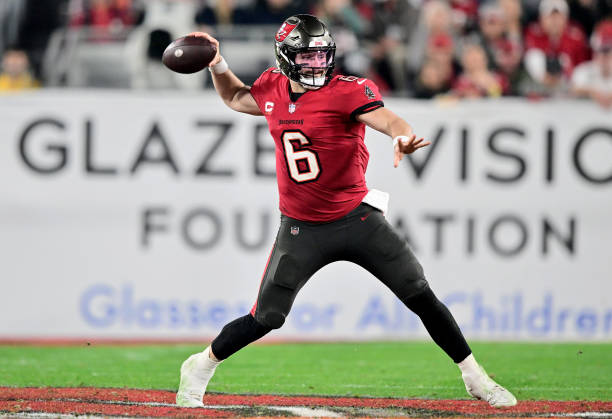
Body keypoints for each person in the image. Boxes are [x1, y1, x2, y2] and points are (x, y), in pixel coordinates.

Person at [175, 14, 517, 409]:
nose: (316, 64)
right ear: (285, 57)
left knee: (419, 293)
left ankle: (475, 376)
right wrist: (218, 64)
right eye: (307, 57)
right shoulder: (271, 86)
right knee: (266, 317)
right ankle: (200, 366)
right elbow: (236, 98)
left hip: (357, 219)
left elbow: (388, 119)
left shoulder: (348, 91)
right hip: (301, 227)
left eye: (322, 56)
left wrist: (402, 137)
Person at [571, 19, 612, 108]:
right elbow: (573, 89)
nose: (604, 57)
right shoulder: (583, 70)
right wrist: (592, 92)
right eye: (601, 51)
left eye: (608, 52)